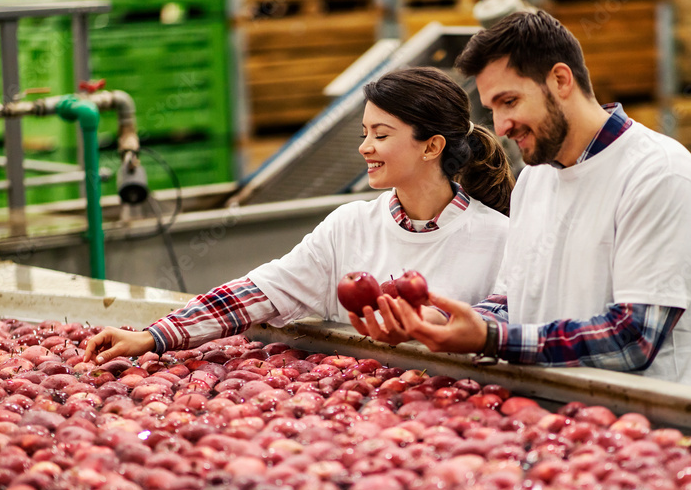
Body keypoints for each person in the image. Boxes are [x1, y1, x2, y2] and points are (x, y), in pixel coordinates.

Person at [352, 11, 691, 390]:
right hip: (556, 421)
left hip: (657, 431)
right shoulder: (535, 180)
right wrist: (444, 322)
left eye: (509, 101)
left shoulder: (658, 175)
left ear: (560, 80)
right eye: (492, 108)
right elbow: (515, 301)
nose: (500, 126)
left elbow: (633, 340)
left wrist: (489, 340)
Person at [84, 66, 514, 364]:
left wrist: (432, 325)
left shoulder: (499, 237)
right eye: (364, 133)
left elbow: (506, 316)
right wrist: (154, 336)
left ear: (431, 146)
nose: (365, 148)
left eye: (381, 135)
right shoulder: (349, 227)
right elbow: (263, 291)